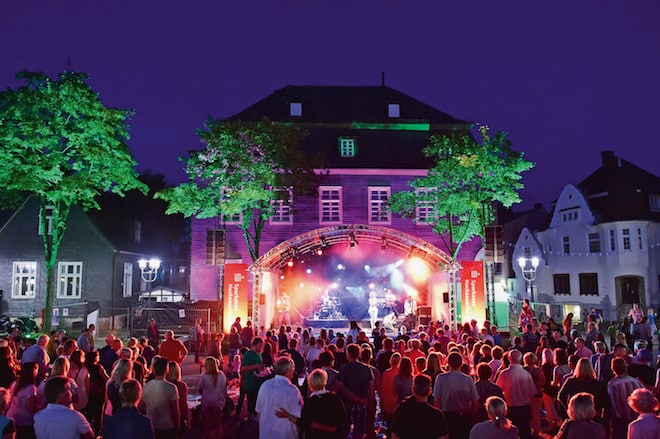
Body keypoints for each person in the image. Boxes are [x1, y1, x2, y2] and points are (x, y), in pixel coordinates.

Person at [432, 352, 479, 439]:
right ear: (461, 364)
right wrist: (471, 416)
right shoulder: (468, 379)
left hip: (447, 416)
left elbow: (436, 401)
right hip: (464, 417)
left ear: (448, 363)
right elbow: (475, 402)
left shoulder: (441, 378)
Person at [334, 343, 375, 439]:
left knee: (345, 430)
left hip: (347, 405)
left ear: (348, 354)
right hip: (362, 404)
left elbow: (337, 386)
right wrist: (371, 403)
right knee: (359, 431)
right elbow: (372, 388)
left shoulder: (344, 369)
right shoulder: (367, 369)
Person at [257, 356, 303, 439]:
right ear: (287, 370)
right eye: (293, 368)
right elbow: (299, 417)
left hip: (266, 433)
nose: (294, 371)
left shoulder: (265, 385)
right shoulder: (291, 391)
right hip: (284, 434)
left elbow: (259, 412)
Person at [391, 373, 449, 439]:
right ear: (430, 391)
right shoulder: (437, 415)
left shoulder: (402, 409)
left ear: (413, 389)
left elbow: (394, 435)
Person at [495, 349, 537, 439]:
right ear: (521, 359)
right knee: (525, 432)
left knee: (509, 433)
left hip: (510, 407)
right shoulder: (526, 374)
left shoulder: (504, 374)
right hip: (524, 408)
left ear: (509, 359)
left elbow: (498, 390)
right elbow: (532, 393)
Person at [141, 356, 180, 439]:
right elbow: (175, 410)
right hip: (167, 425)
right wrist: (177, 426)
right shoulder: (171, 387)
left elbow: (142, 407)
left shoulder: (146, 386)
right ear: (166, 369)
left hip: (151, 424)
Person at [606, 357, 643, 439]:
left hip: (621, 419)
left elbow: (614, 402)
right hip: (635, 415)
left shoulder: (612, 384)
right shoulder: (635, 381)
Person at [7, 362, 39, 439]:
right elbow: (31, 408)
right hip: (24, 422)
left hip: (12, 417)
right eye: (37, 369)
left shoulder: (15, 383)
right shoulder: (31, 388)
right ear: (33, 370)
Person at [198, 356, 227, 439]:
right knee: (217, 423)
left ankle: (207, 436)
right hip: (218, 400)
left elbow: (201, 387)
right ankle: (218, 435)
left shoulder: (204, 376)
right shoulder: (221, 375)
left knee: (206, 422)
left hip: (207, 400)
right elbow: (223, 388)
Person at [240, 337, 264, 421]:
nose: (261, 347)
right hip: (251, 383)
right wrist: (256, 366)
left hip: (258, 383)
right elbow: (243, 368)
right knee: (251, 402)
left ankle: (255, 418)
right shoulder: (248, 354)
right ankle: (250, 420)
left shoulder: (259, 354)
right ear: (254, 345)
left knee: (257, 403)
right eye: (260, 345)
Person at [166, 362, 189, 438]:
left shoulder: (165, 385)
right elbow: (184, 404)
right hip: (180, 416)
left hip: (166, 416)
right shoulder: (181, 385)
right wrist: (187, 419)